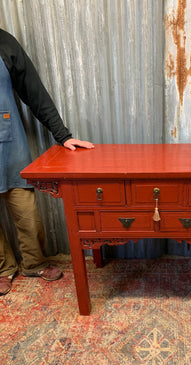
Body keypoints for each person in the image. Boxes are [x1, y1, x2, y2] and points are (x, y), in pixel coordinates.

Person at [0, 28, 94, 295]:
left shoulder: (4, 43)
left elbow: (34, 92)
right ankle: (2, 269)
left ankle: (34, 262)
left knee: (26, 213)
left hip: (9, 145)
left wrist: (63, 135)